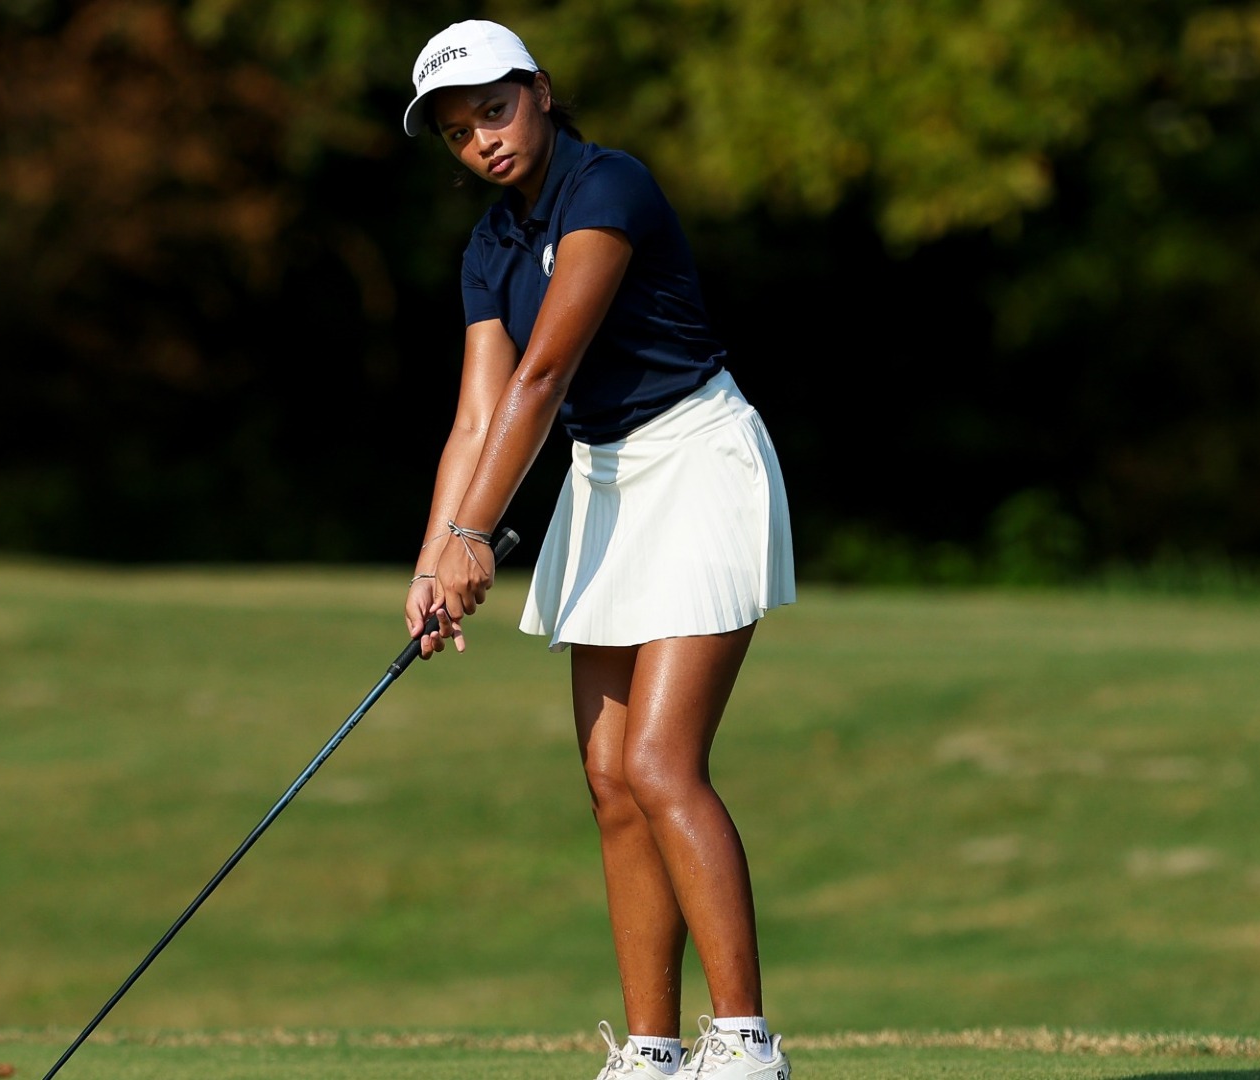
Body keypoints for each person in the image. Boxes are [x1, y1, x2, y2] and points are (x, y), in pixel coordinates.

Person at [399, 20, 796, 1080]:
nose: (482, 139)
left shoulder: (607, 186)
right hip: (603, 482)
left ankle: (746, 1044)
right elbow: (476, 417)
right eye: (458, 130)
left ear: (539, 90)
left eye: (494, 109)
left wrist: (475, 534)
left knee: (662, 764)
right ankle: (653, 1054)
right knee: (613, 781)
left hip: (697, 459)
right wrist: (435, 561)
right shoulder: (490, 247)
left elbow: (545, 375)